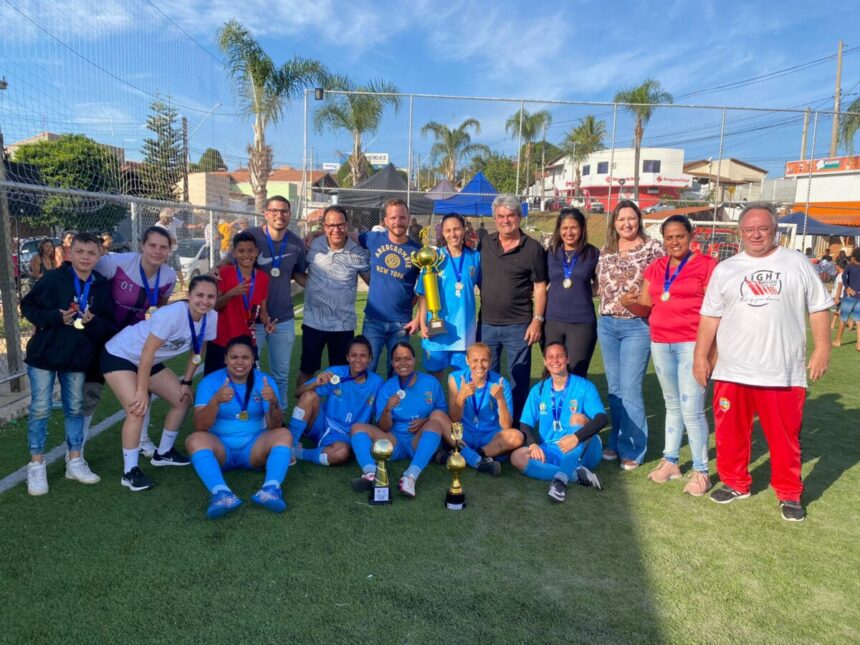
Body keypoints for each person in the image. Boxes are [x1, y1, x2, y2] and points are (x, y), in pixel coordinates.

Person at [693, 202, 832, 522]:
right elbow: (710, 316)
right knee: (730, 433)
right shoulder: (726, 269)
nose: (756, 234)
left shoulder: (796, 263)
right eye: (749, 229)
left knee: (784, 438)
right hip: (732, 369)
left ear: (775, 231)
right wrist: (701, 356)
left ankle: (789, 493)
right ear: (740, 233)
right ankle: (735, 482)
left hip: (781, 372)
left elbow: (820, 307)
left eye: (763, 228)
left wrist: (822, 348)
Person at [623, 215, 716, 496]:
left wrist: (710, 352)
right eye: (670, 237)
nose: (675, 242)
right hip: (661, 343)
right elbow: (646, 307)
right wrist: (630, 305)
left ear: (691, 236)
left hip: (691, 344)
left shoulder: (707, 265)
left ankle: (701, 471)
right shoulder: (656, 267)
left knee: (692, 409)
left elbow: (717, 310)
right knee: (672, 405)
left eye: (680, 236)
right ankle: (671, 461)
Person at [20, 232, 117, 495]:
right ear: (69, 252)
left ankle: (74, 460)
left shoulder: (102, 286)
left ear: (99, 255)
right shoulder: (53, 279)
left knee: (75, 408)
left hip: (77, 359)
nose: (85, 257)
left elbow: (109, 324)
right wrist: (54, 316)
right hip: (44, 356)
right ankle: (36, 465)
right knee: (40, 409)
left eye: (91, 253)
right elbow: (27, 306)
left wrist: (92, 322)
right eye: (80, 252)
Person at [101, 275, 218, 492]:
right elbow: (147, 352)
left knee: (182, 400)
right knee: (137, 409)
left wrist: (186, 380)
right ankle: (130, 472)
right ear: (189, 296)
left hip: (149, 360)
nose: (205, 301)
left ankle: (163, 453)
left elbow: (199, 348)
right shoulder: (172, 314)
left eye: (211, 296)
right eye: (199, 295)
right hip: (121, 354)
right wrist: (141, 390)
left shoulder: (211, 317)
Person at [81, 226, 178, 458]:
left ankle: (143, 439)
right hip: (100, 335)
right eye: (152, 245)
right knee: (90, 392)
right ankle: (76, 452)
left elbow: (160, 310)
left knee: (146, 388)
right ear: (142, 245)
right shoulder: (116, 263)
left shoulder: (169, 277)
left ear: (169, 251)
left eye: (163, 247)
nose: (157, 251)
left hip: (134, 341)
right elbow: (85, 279)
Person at [188, 336, 293, 518]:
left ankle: (270, 490)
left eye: (245, 357)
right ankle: (221, 494)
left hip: (254, 449)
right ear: (225, 359)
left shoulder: (265, 381)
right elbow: (200, 425)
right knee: (194, 440)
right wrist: (215, 401)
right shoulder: (211, 382)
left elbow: (274, 425)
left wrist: (274, 403)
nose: (240, 362)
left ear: (253, 360)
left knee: (283, 434)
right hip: (221, 449)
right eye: (234, 357)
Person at [215, 196, 307, 404]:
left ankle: (279, 415)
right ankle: (251, 416)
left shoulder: (296, 243)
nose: (279, 215)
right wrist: (214, 271)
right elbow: (229, 261)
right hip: (251, 320)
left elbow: (298, 273)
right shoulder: (251, 237)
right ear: (265, 213)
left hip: (283, 319)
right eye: (274, 211)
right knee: (246, 372)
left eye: (283, 211)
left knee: (281, 374)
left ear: (290, 215)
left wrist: (317, 286)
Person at [596, 200, 664, 470]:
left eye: (631, 218)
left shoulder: (652, 248)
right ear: (614, 223)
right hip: (608, 324)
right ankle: (615, 440)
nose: (626, 224)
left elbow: (663, 281)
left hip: (637, 325)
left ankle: (633, 449)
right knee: (614, 390)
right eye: (621, 219)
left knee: (631, 389)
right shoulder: (607, 250)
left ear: (639, 220)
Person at [478, 194, 548, 421]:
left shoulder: (533, 248)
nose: (505, 220)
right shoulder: (486, 243)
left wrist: (537, 320)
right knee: (487, 376)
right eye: (500, 216)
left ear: (519, 216)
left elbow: (539, 287)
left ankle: (518, 425)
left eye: (510, 215)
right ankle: (490, 422)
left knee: (518, 378)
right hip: (487, 324)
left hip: (519, 326)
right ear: (494, 218)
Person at [350, 342, 450, 498]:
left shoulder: (431, 382)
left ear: (414, 360)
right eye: (397, 359)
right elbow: (383, 427)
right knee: (357, 428)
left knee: (435, 424)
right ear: (392, 363)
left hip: (418, 441)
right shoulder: (387, 387)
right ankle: (371, 473)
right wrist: (387, 409)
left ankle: (410, 477)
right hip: (394, 441)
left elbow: (442, 413)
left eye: (407, 358)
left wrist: (424, 421)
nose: (403, 363)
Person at [512, 342, 606, 503]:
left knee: (577, 417)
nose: (555, 360)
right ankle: (576, 474)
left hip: (584, 447)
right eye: (550, 357)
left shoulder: (584, 386)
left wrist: (575, 437)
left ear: (568, 359)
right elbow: (525, 424)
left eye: (560, 356)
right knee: (517, 457)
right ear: (545, 361)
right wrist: (533, 444)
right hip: (552, 448)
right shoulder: (539, 389)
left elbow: (602, 418)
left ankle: (561, 480)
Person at [298, 205, 370, 386]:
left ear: (347, 225)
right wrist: (314, 285)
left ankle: (336, 412)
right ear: (324, 226)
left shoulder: (358, 253)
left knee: (341, 375)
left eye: (340, 225)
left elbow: (373, 283)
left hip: (343, 325)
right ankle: (301, 412)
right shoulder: (312, 246)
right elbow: (297, 272)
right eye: (331, 225)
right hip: (313, 323)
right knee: (307, 371)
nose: (336, 229)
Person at [290, 335, 384, 466]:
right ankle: (289, 446)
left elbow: (381, 417)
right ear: (347, 357)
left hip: (346, 436)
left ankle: (300, 453)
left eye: (363, 356)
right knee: (308, 396)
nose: (358, 360)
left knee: (341, 453)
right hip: (321, 425)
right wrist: (316, 383)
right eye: (353, 355)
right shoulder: (335, 373)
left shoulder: (377, 383)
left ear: (370, 358)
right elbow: (298, 393)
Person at [359, 199, 421, 374]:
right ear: (385, 220)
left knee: (398, 373)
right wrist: (316, 234)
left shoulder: (418, 251)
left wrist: (417, 319)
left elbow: (425, 288)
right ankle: (367, 402)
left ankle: (395, 403)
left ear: (409, 219)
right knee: (366, 369)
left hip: (402, 322)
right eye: (393, 217)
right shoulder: (372, 239)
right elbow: (344, 235)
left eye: (402, 217)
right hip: (373, 320)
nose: (398, 222)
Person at [443, 342, 523, 476]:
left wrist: (500, 399)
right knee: (439, 417)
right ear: (467, 361)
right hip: (464, 434)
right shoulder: (455, 378)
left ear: (491, 362)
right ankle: (479, 460)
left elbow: (506, 426)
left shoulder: (502, 383)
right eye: (475, 360)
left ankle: (467, 455)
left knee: (517, 436)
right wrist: (461, 397)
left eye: (484, 360)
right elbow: (454, 418)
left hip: (489, 439)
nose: (479, 366)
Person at [417, 213, 481, 378]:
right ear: (443, 233)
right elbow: (423, 295)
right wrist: (422, 323)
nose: (453, 234)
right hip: (436, 329)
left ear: (464, 229)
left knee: (462, 382)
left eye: (456, 229)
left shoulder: (475, 257)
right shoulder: (433, 257)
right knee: (433, 380)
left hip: (464, 333)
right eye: (448, 230)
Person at [544, 207, 600, 377]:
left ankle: (576, 404)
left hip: (582, 323)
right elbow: (540, 285)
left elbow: (600, 284)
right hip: (552, 321)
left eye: (573, 227)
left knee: (576, 372)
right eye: (564, 228)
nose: (569, 232)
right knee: (552, 371)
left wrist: (581, 293)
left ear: (582, 228)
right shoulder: (550, 253)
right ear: (559, 230)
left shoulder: (592, 253)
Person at [207, 231, 273, 374]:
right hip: (221, 340)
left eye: (250, 251)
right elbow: (215, 306)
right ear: (234, 253)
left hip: (247, 342)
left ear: (256, 252)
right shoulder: (225, 273)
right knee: (214, 383)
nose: (246, 255)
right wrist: (231, 293)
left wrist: (267, 323)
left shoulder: (262, 278)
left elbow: (262, 310)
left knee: (246, 386)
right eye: (241, 251)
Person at [832, 247, 860, 350]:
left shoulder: (850, 266)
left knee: (843, 318)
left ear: (853, 257)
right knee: (858, 320)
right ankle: (859, 344)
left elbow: (843, 277)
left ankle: (838, 340)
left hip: (849, 297)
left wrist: (847, 287)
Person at [154, 208, 185, 290]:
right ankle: (161, 287)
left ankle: (183, 285)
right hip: (165, 253)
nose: (171, 220)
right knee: (164, 269)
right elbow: (172, 240)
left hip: (172, 250)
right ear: (164, 218)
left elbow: (173, 241)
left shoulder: (165, 227)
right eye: (169, 218)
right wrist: (172, 240)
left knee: (177, 267)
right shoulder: (159, 226)